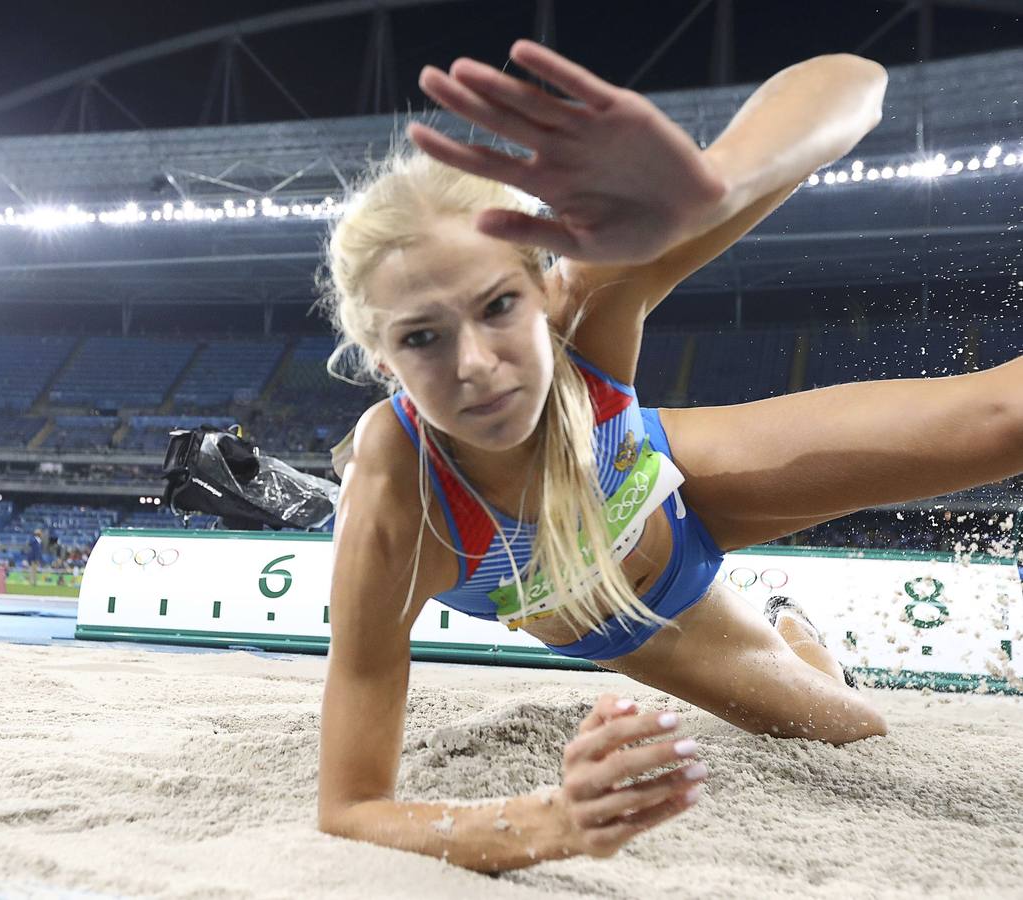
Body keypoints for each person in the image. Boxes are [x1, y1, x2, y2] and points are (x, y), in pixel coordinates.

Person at [315, 41, 1023, 872]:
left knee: (1003, 421)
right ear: (381, 362)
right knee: (850, 728)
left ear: (540, 291)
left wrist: (717, 180)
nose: (474, 364)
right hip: (646, 618)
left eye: (498, 305)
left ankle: (789, 624)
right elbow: (352, 806)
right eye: (422, 338)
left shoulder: (583, 307)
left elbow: (851, 87)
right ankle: (800, 642)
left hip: (678, 474)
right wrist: (545, 823)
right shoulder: (397, 505)